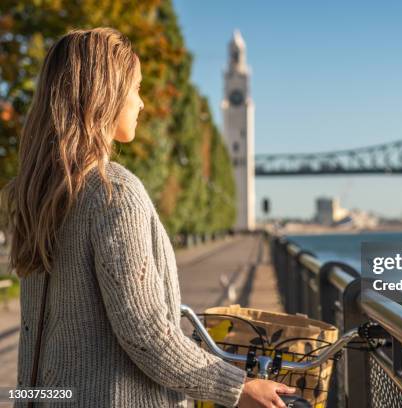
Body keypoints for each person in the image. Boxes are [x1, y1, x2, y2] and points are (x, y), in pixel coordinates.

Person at [3, 28, 295, 407]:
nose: (141, 104)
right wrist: (237, 387)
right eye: (136, 88)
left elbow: (35, 335)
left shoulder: (37, 195)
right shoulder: (114, 194)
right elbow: (146, 334)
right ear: (105, 93)